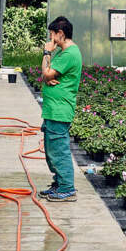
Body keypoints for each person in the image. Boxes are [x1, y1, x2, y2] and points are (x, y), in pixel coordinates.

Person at [37, 15, 82, 201]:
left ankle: (67, 188)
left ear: (60, 33)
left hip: (59, 110)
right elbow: (46, 75)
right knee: (51, 150)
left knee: (59, 151)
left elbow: (47, 74)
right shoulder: (64, 53)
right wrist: (48, 76)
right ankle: (59, 183)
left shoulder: (70, 54)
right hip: (53, 110)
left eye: (52, 35)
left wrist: (47, 53)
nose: (50, 39)